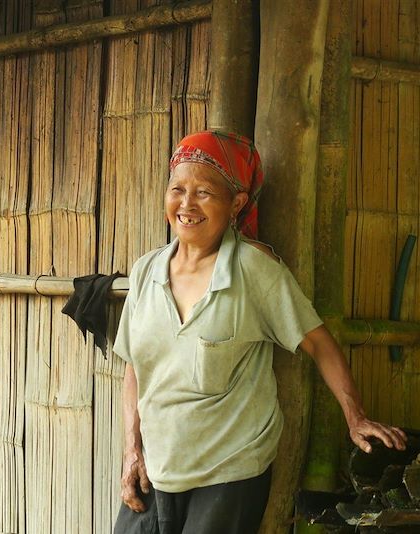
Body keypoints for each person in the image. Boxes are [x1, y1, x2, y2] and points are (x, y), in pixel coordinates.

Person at [113, 130, 407, 534]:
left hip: (227, 471)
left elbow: (318, 342)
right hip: (157, 464)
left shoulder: (254, 269)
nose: (186, 204)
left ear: (235, 203)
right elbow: (133, 365)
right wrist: (132, 449)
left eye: (204, 192)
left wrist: (355, 417)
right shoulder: (146, 270)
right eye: (177, 189)